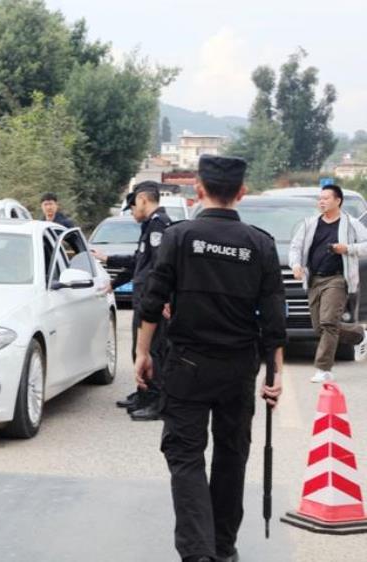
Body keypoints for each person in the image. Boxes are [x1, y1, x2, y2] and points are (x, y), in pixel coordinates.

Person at [135, 155, 286, 562]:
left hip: (186, 366)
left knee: (185, 456)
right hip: (238, 368)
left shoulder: (180, 238)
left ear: (199, 189)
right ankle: (223, 548)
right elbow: (274, 320)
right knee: (231, 456)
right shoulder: (261, 244)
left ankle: (199, 554)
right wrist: (276, 377)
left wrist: (142, 352)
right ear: (242, 192)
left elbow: (153, 300)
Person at [92, 181, 172, 421]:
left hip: (153, 300)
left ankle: (157, 401)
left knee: (155, 351)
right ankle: (143, 393)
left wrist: (166, 298)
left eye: (134, 205)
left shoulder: (159, 226)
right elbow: (140, 263)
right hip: (144, 299)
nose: (132, 211)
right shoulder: (149, 227)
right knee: (140, 349)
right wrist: (114, 282)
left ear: (143, 201)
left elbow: (161, 266)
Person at [289, 184, 367, 383]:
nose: (321, 202)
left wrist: (347, 248)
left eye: (326, 198)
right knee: (320, 327)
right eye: (320, 198)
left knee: (328, 323)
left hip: (337, 278)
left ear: (338, 200)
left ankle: (324, 369)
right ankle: (359, 334)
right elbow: (295, 247)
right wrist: (296, 265)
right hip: (314, 279)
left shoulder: (350, 223)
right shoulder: (309, 224)